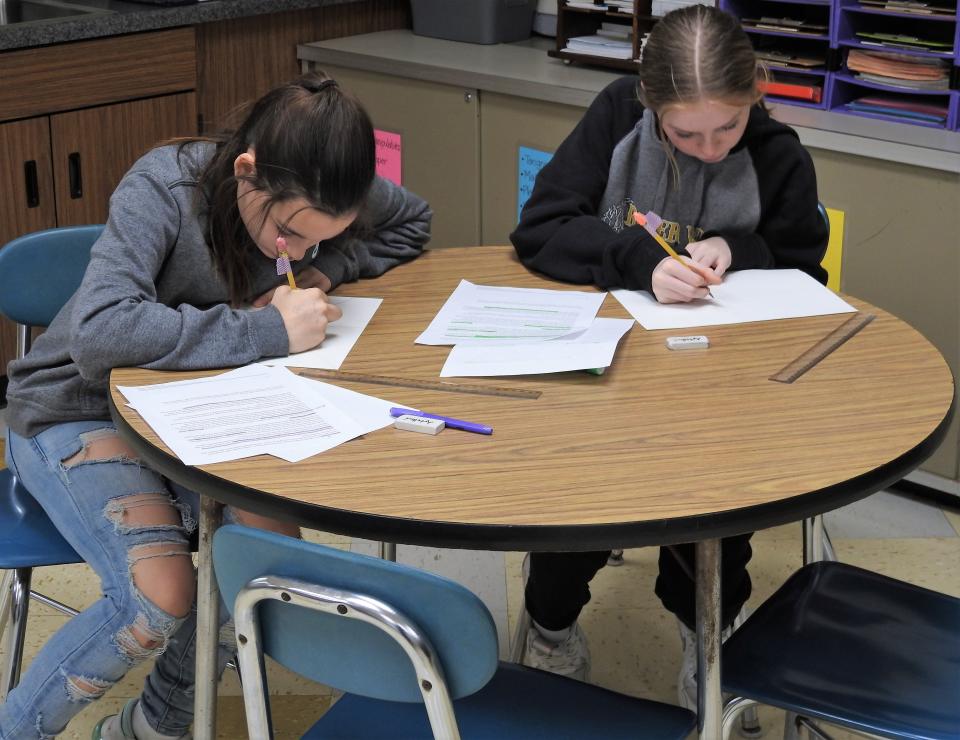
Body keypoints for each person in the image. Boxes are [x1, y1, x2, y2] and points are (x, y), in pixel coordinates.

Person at [1, 73, 431, 739]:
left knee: (262, 571)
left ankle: (155, 726)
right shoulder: (166, 187)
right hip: (75, 407)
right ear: (247, 173)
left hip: (204, 409)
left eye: (323, 236)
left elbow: (413, 219)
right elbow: (100, 335)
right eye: (290, 233)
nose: (298, 252)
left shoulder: (326, 184)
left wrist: (331, 269)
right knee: (160, 597)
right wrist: (267, 332)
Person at [509, 5, 828, 710]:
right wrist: (636, 260)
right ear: (649, 104)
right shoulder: (616, 115)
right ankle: (549, 622)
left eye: (729, 128)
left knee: (719, 519)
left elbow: (806, 271)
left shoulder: (778, 154)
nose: (711, 149)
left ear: (756, 96)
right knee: (579, 514)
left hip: (722, 390)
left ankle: (704, 625)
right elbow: (539, 230)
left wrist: (735, 251)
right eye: (686, 133)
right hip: (605, 375)